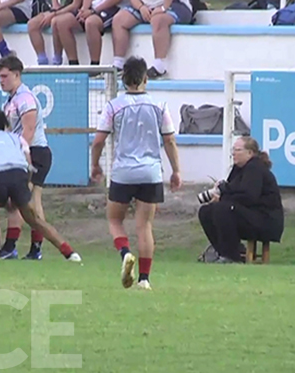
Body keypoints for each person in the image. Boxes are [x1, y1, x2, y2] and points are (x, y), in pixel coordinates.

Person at [90, 56, 181, 290]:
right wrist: (176, 171)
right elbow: (169, 140)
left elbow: (99, 140)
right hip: (150, 172)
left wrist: (95, 164)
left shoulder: (114, 106)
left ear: (123, 80)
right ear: (145, 78)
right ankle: (144, 279)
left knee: (114, 219)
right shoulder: (159, 106)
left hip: (123, 172)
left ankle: (125, 254)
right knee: (145, 226)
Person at [0, 107, 82, 262]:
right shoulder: (17, 138)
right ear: (5, 125)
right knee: (35, 220)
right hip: (19, 176)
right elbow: (28, 165)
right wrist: (22, 189)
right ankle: (70, 253)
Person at [0, 55, 52, 260]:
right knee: (17, 201)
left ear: (17, 74)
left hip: (34, 152)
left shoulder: (25, 98)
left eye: (5, 76)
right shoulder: (13, 99)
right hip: (27, 152)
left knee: (29, 201)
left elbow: (29, 130)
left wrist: (19, 154)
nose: (1, 80)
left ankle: (25, 248)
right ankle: (21, 247)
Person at [197, 136, 284, 264]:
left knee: (223, 209)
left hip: (265, 219)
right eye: (233, 150)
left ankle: (232, 256)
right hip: (249, 214)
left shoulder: (255, 168)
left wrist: (223, 198)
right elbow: (232, 191)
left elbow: (249, 197)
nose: (233, 153)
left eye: (238, 150)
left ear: (250, 153)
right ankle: (226, 251)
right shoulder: (238, 169)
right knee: (206, 211)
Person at [109, 0, 193, 79]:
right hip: (145, 6)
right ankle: (118, 64)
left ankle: (159, 66)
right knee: (119, 20)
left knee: (158, 20)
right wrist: (141, 7)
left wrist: (163, 8)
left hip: (174, 4)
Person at [50, 0, 123, 68]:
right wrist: (83, 10)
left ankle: (94, 67)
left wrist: (92, 11)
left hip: (110, 8)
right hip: (92, 8)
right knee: (62, 22)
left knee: (90, 22)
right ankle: (73, 65)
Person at [26, 0, 81, 66]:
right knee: (32, 24)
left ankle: (57, 59)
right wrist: (53, 10)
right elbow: (55, 6)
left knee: (56, 22)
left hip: (72, 11)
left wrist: (55, 14)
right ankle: (42, 61)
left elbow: (75, 5)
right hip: (58, 10)